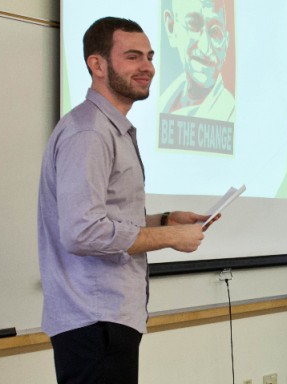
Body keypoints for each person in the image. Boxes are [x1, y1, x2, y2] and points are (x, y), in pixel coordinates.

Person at [38, 17, 215, 383]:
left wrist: (165, 220)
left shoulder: (108, 129)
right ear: (97, 64)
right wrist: (170, 239)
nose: (147, 67)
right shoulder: (89, 132)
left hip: (105, 320)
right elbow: (83, 231)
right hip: (94, 321)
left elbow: (107, 215)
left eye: (149, 56)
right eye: (133, 56)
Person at [158, 0, 236, 121]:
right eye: (193, 24)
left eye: (215, 31)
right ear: (171, 27)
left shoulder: (231, 112)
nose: (205, 47)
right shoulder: (163, 101)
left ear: (226, 43)